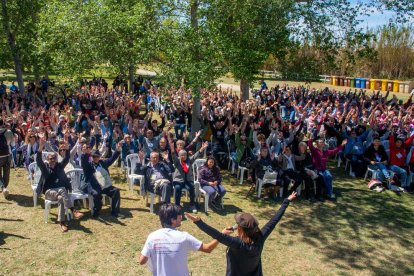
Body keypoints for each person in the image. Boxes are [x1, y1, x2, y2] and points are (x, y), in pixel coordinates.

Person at [185, 192, 297, 276]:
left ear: (240, 228)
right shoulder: (260, 237)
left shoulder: (237, 243)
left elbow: (217, 235)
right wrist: (286, 201)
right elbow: (274, 221)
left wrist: (198, 222)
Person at [139, 204, 219, 276]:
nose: (181, 217)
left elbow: (142, 261)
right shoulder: (184, 237)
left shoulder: (152, 236)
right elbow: (208, 248)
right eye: (179, 215)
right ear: (172, 220)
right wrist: (222, 236)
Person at [36, 137, 83, 232]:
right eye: (50, 159)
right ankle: (73, 210)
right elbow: (38, 160)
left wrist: (67, 147)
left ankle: (62, 223)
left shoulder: (59, 166)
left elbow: (66, 158)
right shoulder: (45, 169)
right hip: (49, 192)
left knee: (61, 198)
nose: (52, 160)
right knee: (62, 189)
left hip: (60, 193)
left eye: (54, 158)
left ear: (56, 159)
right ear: (47, 160)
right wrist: (41, 146)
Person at [81, 142, 123, 218]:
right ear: (92, 157)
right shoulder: (88, 165)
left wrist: (117, 150)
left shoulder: (103, 163)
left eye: (97, 156)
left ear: (100, 156)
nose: (96, 158)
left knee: (116, 191)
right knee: (96, 194)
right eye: (94, 157)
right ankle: (96, 210)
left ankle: (115, 212)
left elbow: (112, 159)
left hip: (104, 185)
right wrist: (85, 154)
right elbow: (83, 162)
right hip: (93, 186)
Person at [170, 140, 209, 213]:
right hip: (178, 180)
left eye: (184, 155)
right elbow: (173, 156)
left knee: (191, 188)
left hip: (188, 180)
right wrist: (172, 149)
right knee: (178, 188)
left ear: (186, 155)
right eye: (181, 155)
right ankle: (177, 205)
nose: (183, 156)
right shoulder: (177, 161)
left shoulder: (189, 160)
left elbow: (196, 155)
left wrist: (202, 148)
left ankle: (192, 204)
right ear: (179, 156)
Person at [0, 119, 13, 198]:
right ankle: (5, 187)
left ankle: (3, 187)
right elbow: (13, 144)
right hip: (7, 155)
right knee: (6, 173)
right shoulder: (8, 132)